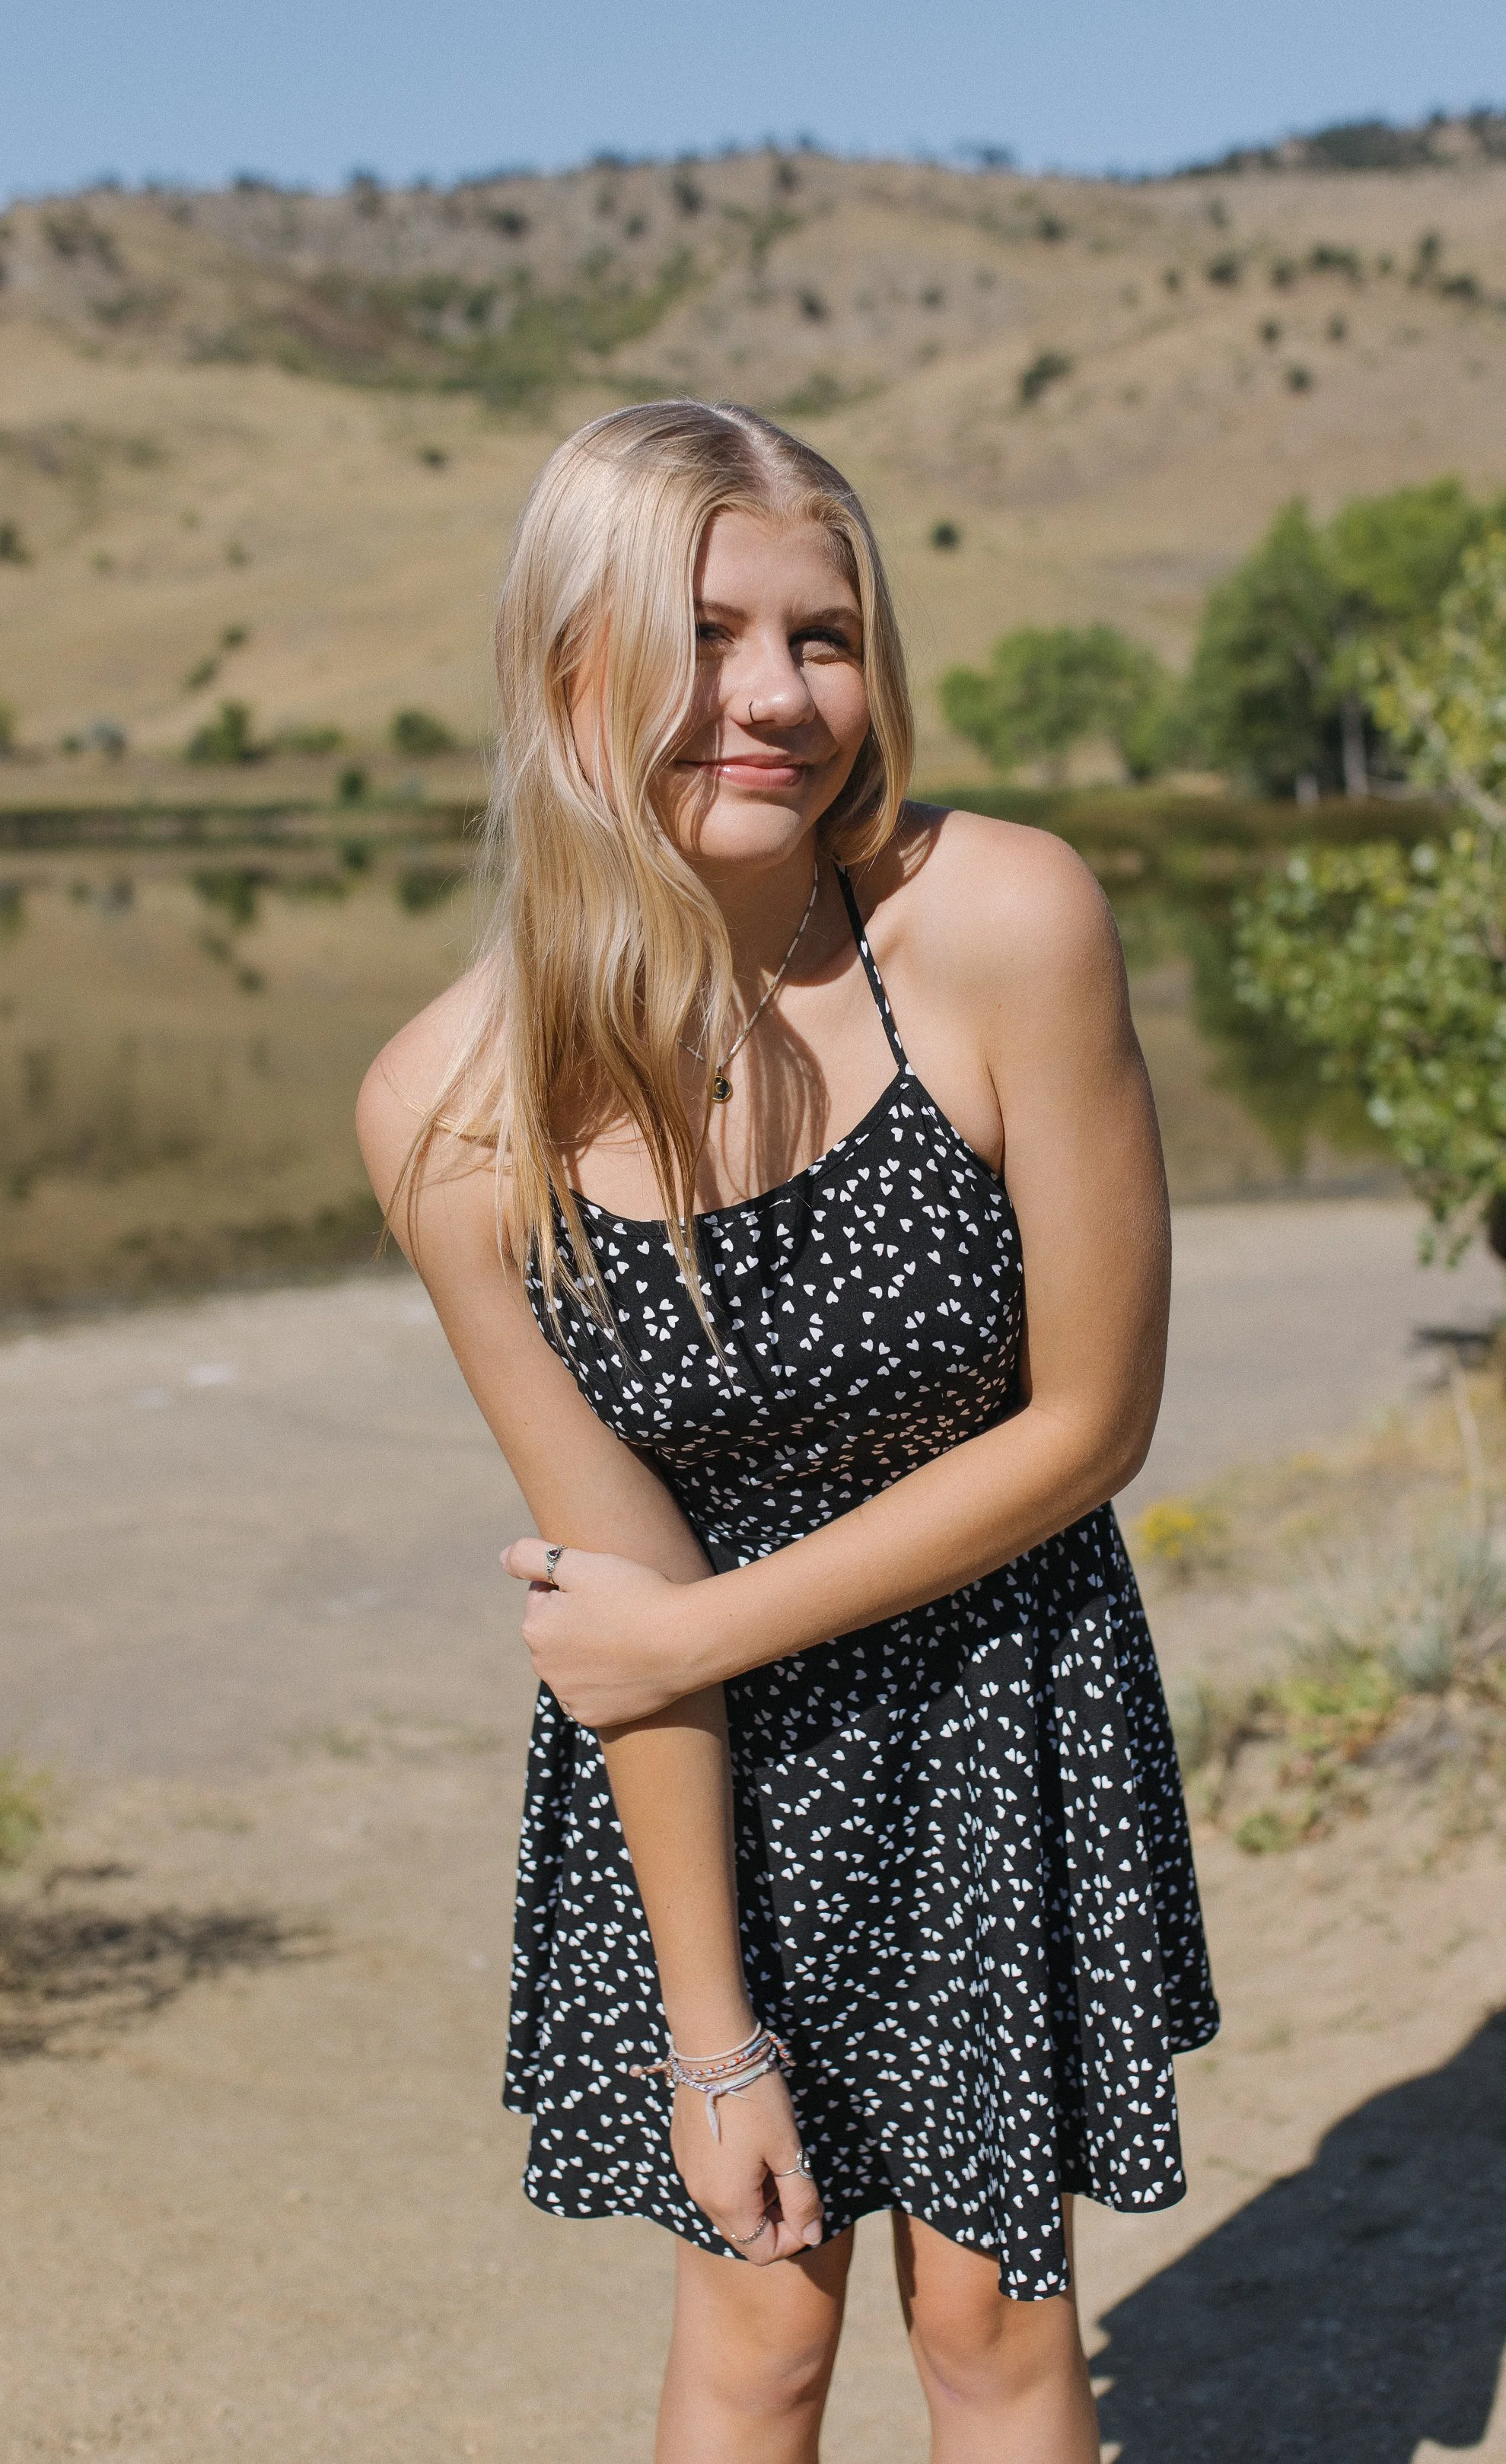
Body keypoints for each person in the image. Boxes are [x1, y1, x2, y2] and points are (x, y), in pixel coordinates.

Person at [357, 398, 1217, 2464]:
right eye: (704, 631)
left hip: (1002, 1703)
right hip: (699, 1790)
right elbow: (617, 1593)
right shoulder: (448, 1109)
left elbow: (1094, 1419)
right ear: (565, 663)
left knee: (995, 2335)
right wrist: (713, 2031)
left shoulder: (1002, 923)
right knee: (755, 2339)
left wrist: (685, 1633)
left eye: (822, 635)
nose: (776, 696)